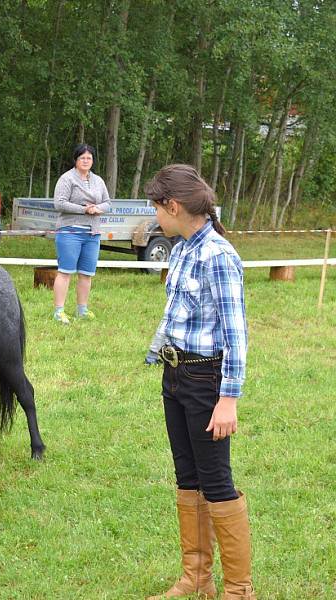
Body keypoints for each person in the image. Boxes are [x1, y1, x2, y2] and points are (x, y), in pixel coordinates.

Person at [144, 164, 255, 600]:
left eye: (158, 208)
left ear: (173, 206)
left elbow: (236, 334)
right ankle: (197, 578)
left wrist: (228, 399)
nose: (157, 218)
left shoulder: (218, 255)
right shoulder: (183, 247)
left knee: (216, 481)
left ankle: (239, 590)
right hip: (176, 375)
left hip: (206, 380)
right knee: (187, 477)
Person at [52, 143, 111, 324]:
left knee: (86, 273)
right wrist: (83, 210)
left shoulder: (98, 181)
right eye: (82, 158)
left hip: (92, 234)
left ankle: (82, 310)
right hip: (70, 232)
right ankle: (59, 311)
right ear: (76, 160)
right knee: (65, 271)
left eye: (89, 158)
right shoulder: (66, 179)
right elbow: (59, 203)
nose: (86, 161)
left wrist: (97, 208)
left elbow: (108, 203)